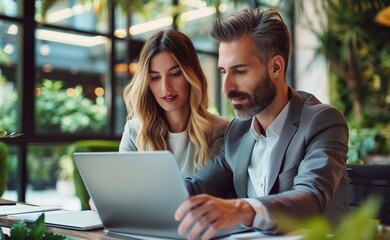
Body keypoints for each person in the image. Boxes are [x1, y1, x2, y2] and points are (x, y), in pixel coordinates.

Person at [174, 8, 349, 240]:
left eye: (240, 71)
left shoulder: (322, 121)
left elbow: (311, 197)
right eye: (224, 71)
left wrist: (241, 209)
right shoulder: (238, 131)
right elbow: (197, 186)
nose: (227, 87)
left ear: (276, 67)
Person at [120, 29, 229, 178]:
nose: (166, 88)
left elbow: (208, 189)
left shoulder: (220, 130)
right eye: (155, 77)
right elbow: (123, 185)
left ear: (191, 75)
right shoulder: (134, 131)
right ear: (146, 83)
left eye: (175, 74)